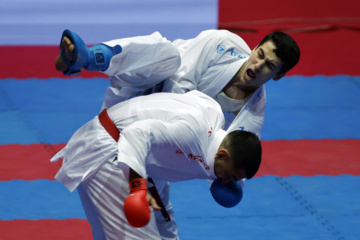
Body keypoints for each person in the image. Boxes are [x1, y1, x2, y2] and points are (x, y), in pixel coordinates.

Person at [50, 90, 262, 240]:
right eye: (230, 177)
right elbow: (136, 134)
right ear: (222, 155)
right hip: (108, 150)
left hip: (135, 157)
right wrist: (137, 187)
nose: (225, 183)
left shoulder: (213, 122)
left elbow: (160, 193)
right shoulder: (192, 135)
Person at [55, 28, 300, 135]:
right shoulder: (223, 43)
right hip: (148, 82)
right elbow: (180, 82)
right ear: (255, 47)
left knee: (163, 228)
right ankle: (90, 57)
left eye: (269, 66)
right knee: (168, 54)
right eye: (259, 55)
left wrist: (231, 181)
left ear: (278, 76)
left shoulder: (252, 116)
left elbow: (235, 156)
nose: (257, 66)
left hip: (162, 138)